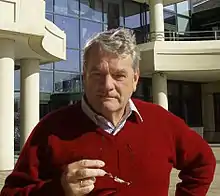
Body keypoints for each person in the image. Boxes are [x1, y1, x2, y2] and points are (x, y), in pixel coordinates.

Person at [0, 28, 216, 196]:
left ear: (135, 79)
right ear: (84, 76)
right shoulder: (51, 130)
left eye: (119, 75)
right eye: (97, 74)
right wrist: (59, 189)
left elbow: (204, 162)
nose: (107, 85)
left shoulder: (161, 122)